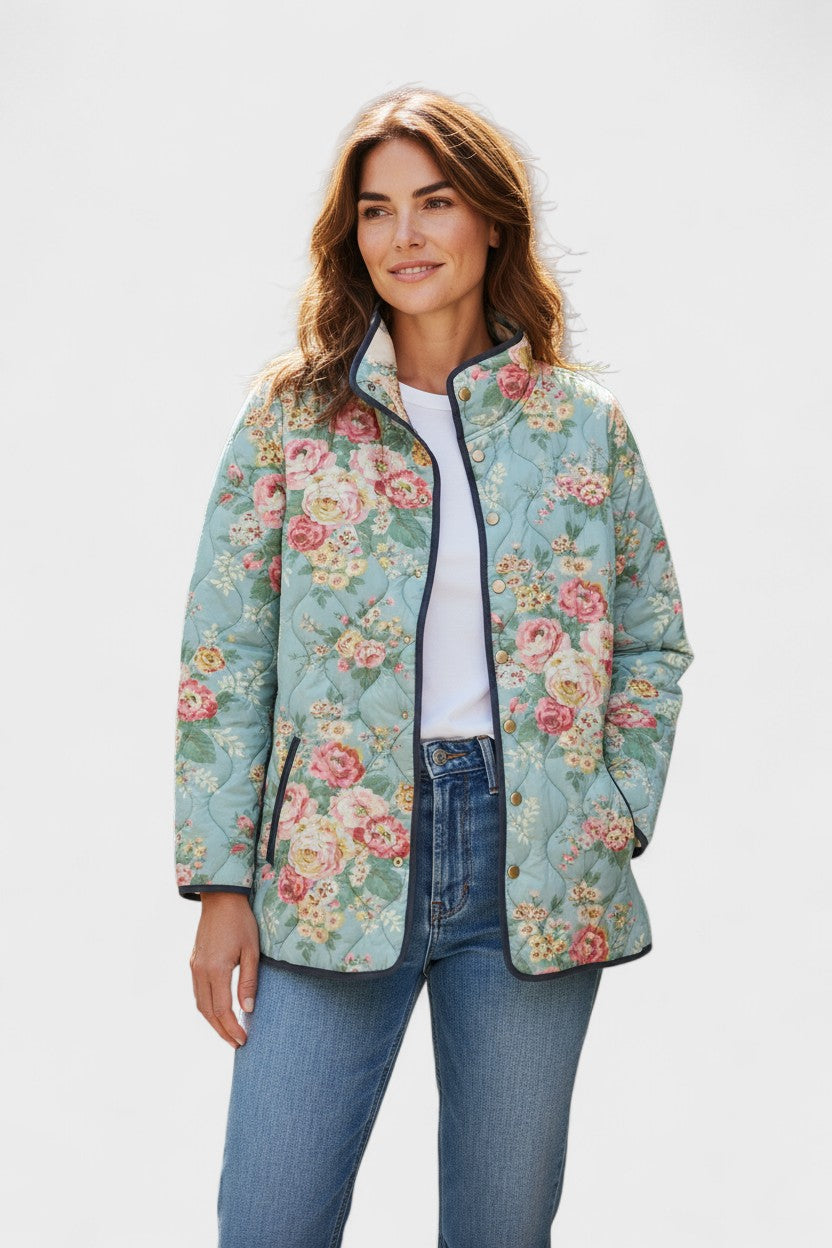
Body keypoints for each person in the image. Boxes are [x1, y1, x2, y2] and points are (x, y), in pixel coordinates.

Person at [173, 85, 695, 1247]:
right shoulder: (292, 422)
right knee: (270, 1219)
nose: (403, 235)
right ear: (351, 234)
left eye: (434, 202)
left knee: (501, 1228)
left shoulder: (580, 427)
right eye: (376, 210)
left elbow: (651, 637)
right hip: (330, 853)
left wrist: (607, 810)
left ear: (491, 223)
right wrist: (220, 884)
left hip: (531, 863)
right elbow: (225, 656)